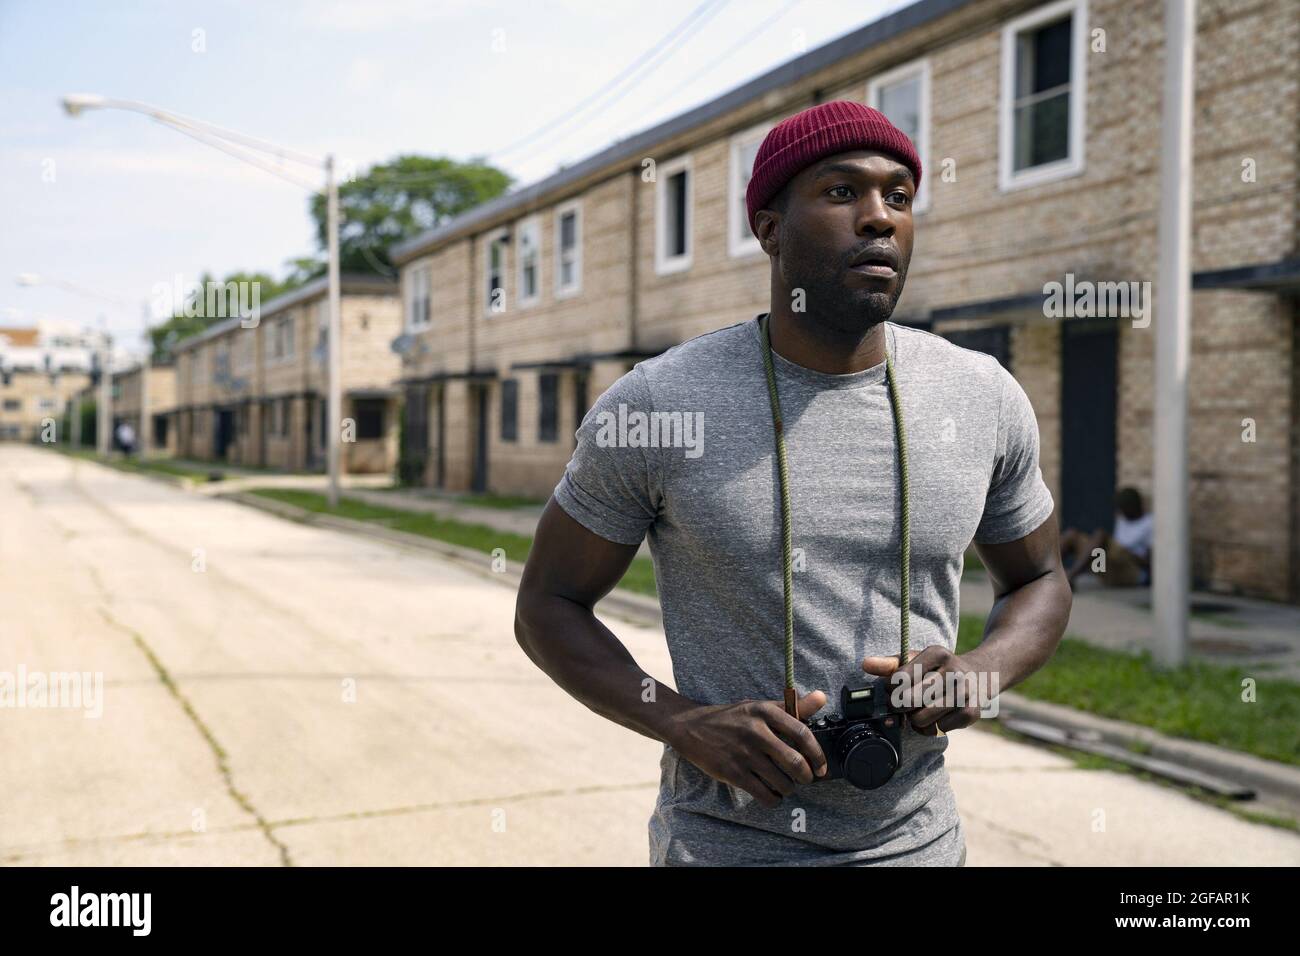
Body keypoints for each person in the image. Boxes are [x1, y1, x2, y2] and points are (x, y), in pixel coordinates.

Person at [515, 101, 1072, 867]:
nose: (879, 218)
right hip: (723, 844)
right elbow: (548, 605)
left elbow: (1041, 578)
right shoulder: (659, 405)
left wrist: (980, 672)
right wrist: (682, 724)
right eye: (842, 193)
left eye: (899, 197)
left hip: (920, 843)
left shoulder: (981, 396)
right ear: (770, 229)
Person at [1060, 487, 1153, 589]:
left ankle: (1070, 576)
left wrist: (1129, 554)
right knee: (1072, 535)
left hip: (1133, 572)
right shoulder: (1122, 519)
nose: (1121, 511)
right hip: (1107, 566)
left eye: (1124, 508)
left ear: (1135, 506)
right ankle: (1045, 574)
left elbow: (1151, 563)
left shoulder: (1149, 523)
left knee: (1101, 535)